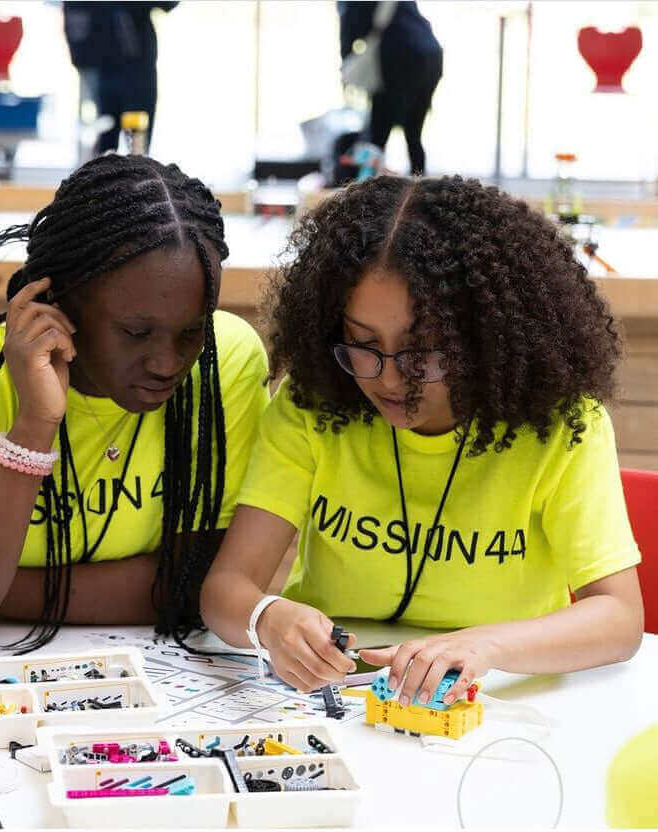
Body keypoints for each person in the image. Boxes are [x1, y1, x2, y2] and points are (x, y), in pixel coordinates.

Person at [201, 174, 644, 705]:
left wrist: (483, 644)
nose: (388, 380)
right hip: (331, 699)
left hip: (502, 697)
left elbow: (619, 618)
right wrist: (267, 617)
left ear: (486, 339)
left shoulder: (560, 423)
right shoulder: (314, 402)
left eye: (424, 352)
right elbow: (225, 589)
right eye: (363, 345)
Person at [0, 154, 268, 652]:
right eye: (136, 332)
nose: (167, 362)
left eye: (192, 330)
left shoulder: (226, 360)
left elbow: (204, 585)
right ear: (59, 299)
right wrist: (34, 426)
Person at [338, 1, 442, 175]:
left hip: (398, 57)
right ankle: (420, 190)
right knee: (414, 133)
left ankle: (365, 194)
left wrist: (347, 66)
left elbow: (349, 29)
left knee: (377, 135)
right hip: (430, 53)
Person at [63, 2, 177, 154]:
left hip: (137, 77)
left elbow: (169, 3)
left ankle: (138, 170)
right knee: (105, 146)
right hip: (102, 75)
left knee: (138, 149)